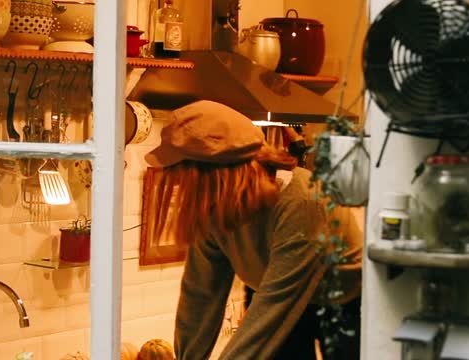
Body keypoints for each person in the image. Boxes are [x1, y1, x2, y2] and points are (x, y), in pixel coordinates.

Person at [144, 100, 360, 359]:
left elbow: (274, 309)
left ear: (213, 176)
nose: (180, 188)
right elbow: (201, 295)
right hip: (270, 292)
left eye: (184, 179)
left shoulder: (302, 203)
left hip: (342, 302)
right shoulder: (215, 207)